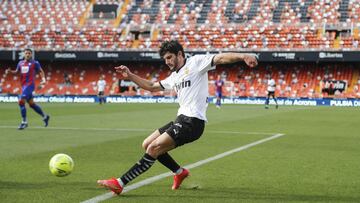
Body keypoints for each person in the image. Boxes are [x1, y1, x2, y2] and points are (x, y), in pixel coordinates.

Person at [97, 40, 258, 195]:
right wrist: (130, 75)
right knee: (147, 144)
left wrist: (243, 55)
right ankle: (179, 172)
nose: (167, 61)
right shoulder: (174, 76)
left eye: (169, 57)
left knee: (154, 148)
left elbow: (221, 58)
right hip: (181, 120)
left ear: (179, 54)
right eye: (165, 59)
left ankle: (120, 183)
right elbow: (152, 87)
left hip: (193, 122)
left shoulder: (196, 63)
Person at [6, 48, 50, 130]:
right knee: (31, 104)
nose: (27, 54)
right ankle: (45, 116)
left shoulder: (34, 63)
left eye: (29, 53)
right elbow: (16, 71)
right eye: (26, 53)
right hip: (23, 86)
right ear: (24, 54)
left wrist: (43, 80)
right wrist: (11, 72)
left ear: (31, 54)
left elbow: (40, 71)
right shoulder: (20, 63)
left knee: (21, 101)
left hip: (30, 85)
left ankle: (24, 122)